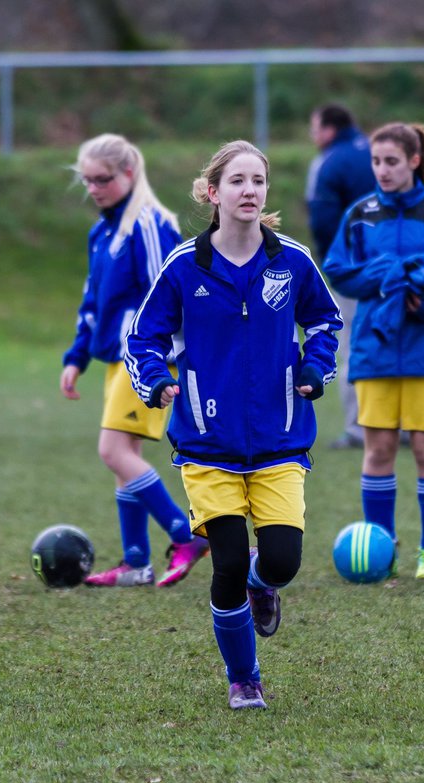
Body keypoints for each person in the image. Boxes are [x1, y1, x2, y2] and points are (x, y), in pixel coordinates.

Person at [125, 140, 342, 710]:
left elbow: (325, 321)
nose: (250, 191)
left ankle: (261, 581)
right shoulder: (185, 267)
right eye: (238, 181)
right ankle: (244, 678)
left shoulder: (291, 261)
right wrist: (155, 379)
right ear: (213, 193)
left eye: (259, 182)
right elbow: (142, 336)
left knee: (281, 562)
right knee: (223, 565)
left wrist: (316, 370)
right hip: (207, 442)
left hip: (279, 440)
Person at [323, 122, 424, 580]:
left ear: (414, 161)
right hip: (375, 348)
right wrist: (391, 276)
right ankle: (381, 548)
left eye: (391, 161)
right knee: (378, 450)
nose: (382, 170)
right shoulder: (360, 214)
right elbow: (337, 269)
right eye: (376, 162)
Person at [59, 134, 210, 588]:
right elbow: (92, 301)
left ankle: (187, 535)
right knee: (127, 456)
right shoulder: (102, 231)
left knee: (114, 452)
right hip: (112, 360)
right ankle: (136, 562)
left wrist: (163, 359)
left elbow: (172, 295)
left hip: (143, 359)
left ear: (128, 173)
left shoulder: (150, 224)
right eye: (86, 181)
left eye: (102, 179)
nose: (94, 189)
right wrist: (77, 355)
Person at [306, 103, 377, 451]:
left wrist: (331, 265)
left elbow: (322, 217)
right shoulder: (380, 151)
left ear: (330, 129)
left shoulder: (330, 161)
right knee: (392, 341)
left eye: (315, 127)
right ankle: (405, 425)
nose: (312, 135)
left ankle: (359, 428)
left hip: (352, 270)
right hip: (394, 269)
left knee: (350, 344)